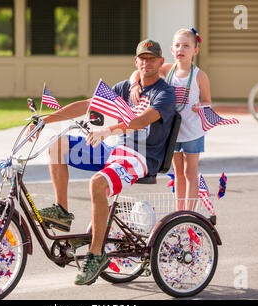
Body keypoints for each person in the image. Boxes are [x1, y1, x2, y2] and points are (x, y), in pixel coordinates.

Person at [26, 39, 176, 286]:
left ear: (160, 62)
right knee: (57, 145)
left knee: (97, 183)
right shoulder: (125, 88)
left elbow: (140, 121)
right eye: (142, 58)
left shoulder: (164, 93)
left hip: (140, 155)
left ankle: (97, 255)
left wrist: (109, 131)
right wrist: (46, 120)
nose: (147, 63)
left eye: (152, 59)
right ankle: (62, 211)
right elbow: (88, 105)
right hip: (113, 148)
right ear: (136, 61)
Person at [130, 28, 211, 210]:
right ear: (172, 50)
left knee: (190, 172)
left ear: (195, 50)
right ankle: (178, 211)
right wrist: (135, 85)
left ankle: (189, 213)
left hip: (192, 131)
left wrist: (201, 106)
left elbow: (207, 101)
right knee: (178, 173)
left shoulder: (200, 76)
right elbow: (138, 72)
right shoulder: (167, 69)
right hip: (172, 131)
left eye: (186, 45)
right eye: (177, 45)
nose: (181, 49)